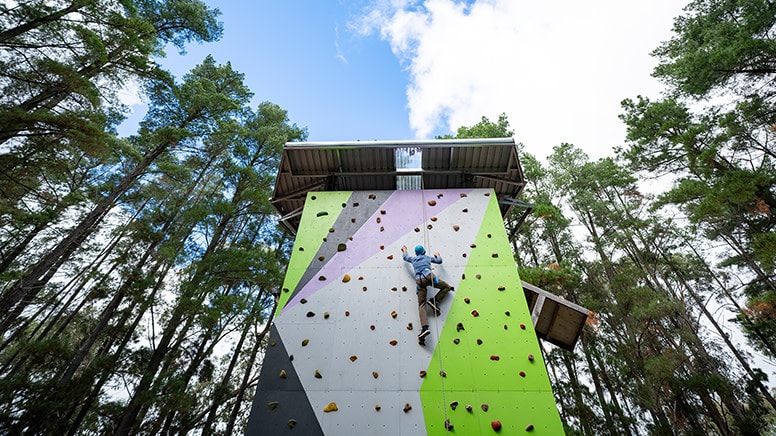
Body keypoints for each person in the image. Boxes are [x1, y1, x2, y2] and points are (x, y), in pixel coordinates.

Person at [401, 244, 453, 340]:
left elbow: (405, 257)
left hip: (420, 281)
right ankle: (434, 301)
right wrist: (437, 255)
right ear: (424, 251)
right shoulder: (427, 257)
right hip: (429, 277)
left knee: (421, 305)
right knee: (446, 287)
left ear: (416, 253)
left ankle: (425, 328)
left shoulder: (413, 259)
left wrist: (404, 250)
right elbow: (439, 261)